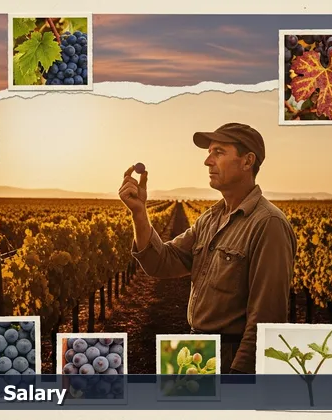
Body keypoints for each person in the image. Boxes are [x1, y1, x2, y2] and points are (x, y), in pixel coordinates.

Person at [118, 122, 297, 374]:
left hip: (231, 359)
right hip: (196, 349)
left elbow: (267, 319)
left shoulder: (269, 224)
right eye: (209, 152)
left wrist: (240, 378)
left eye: (219, 152)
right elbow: (161, 263)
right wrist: (139, 212)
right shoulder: (210, 218)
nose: (207, 161)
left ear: (247, 161)